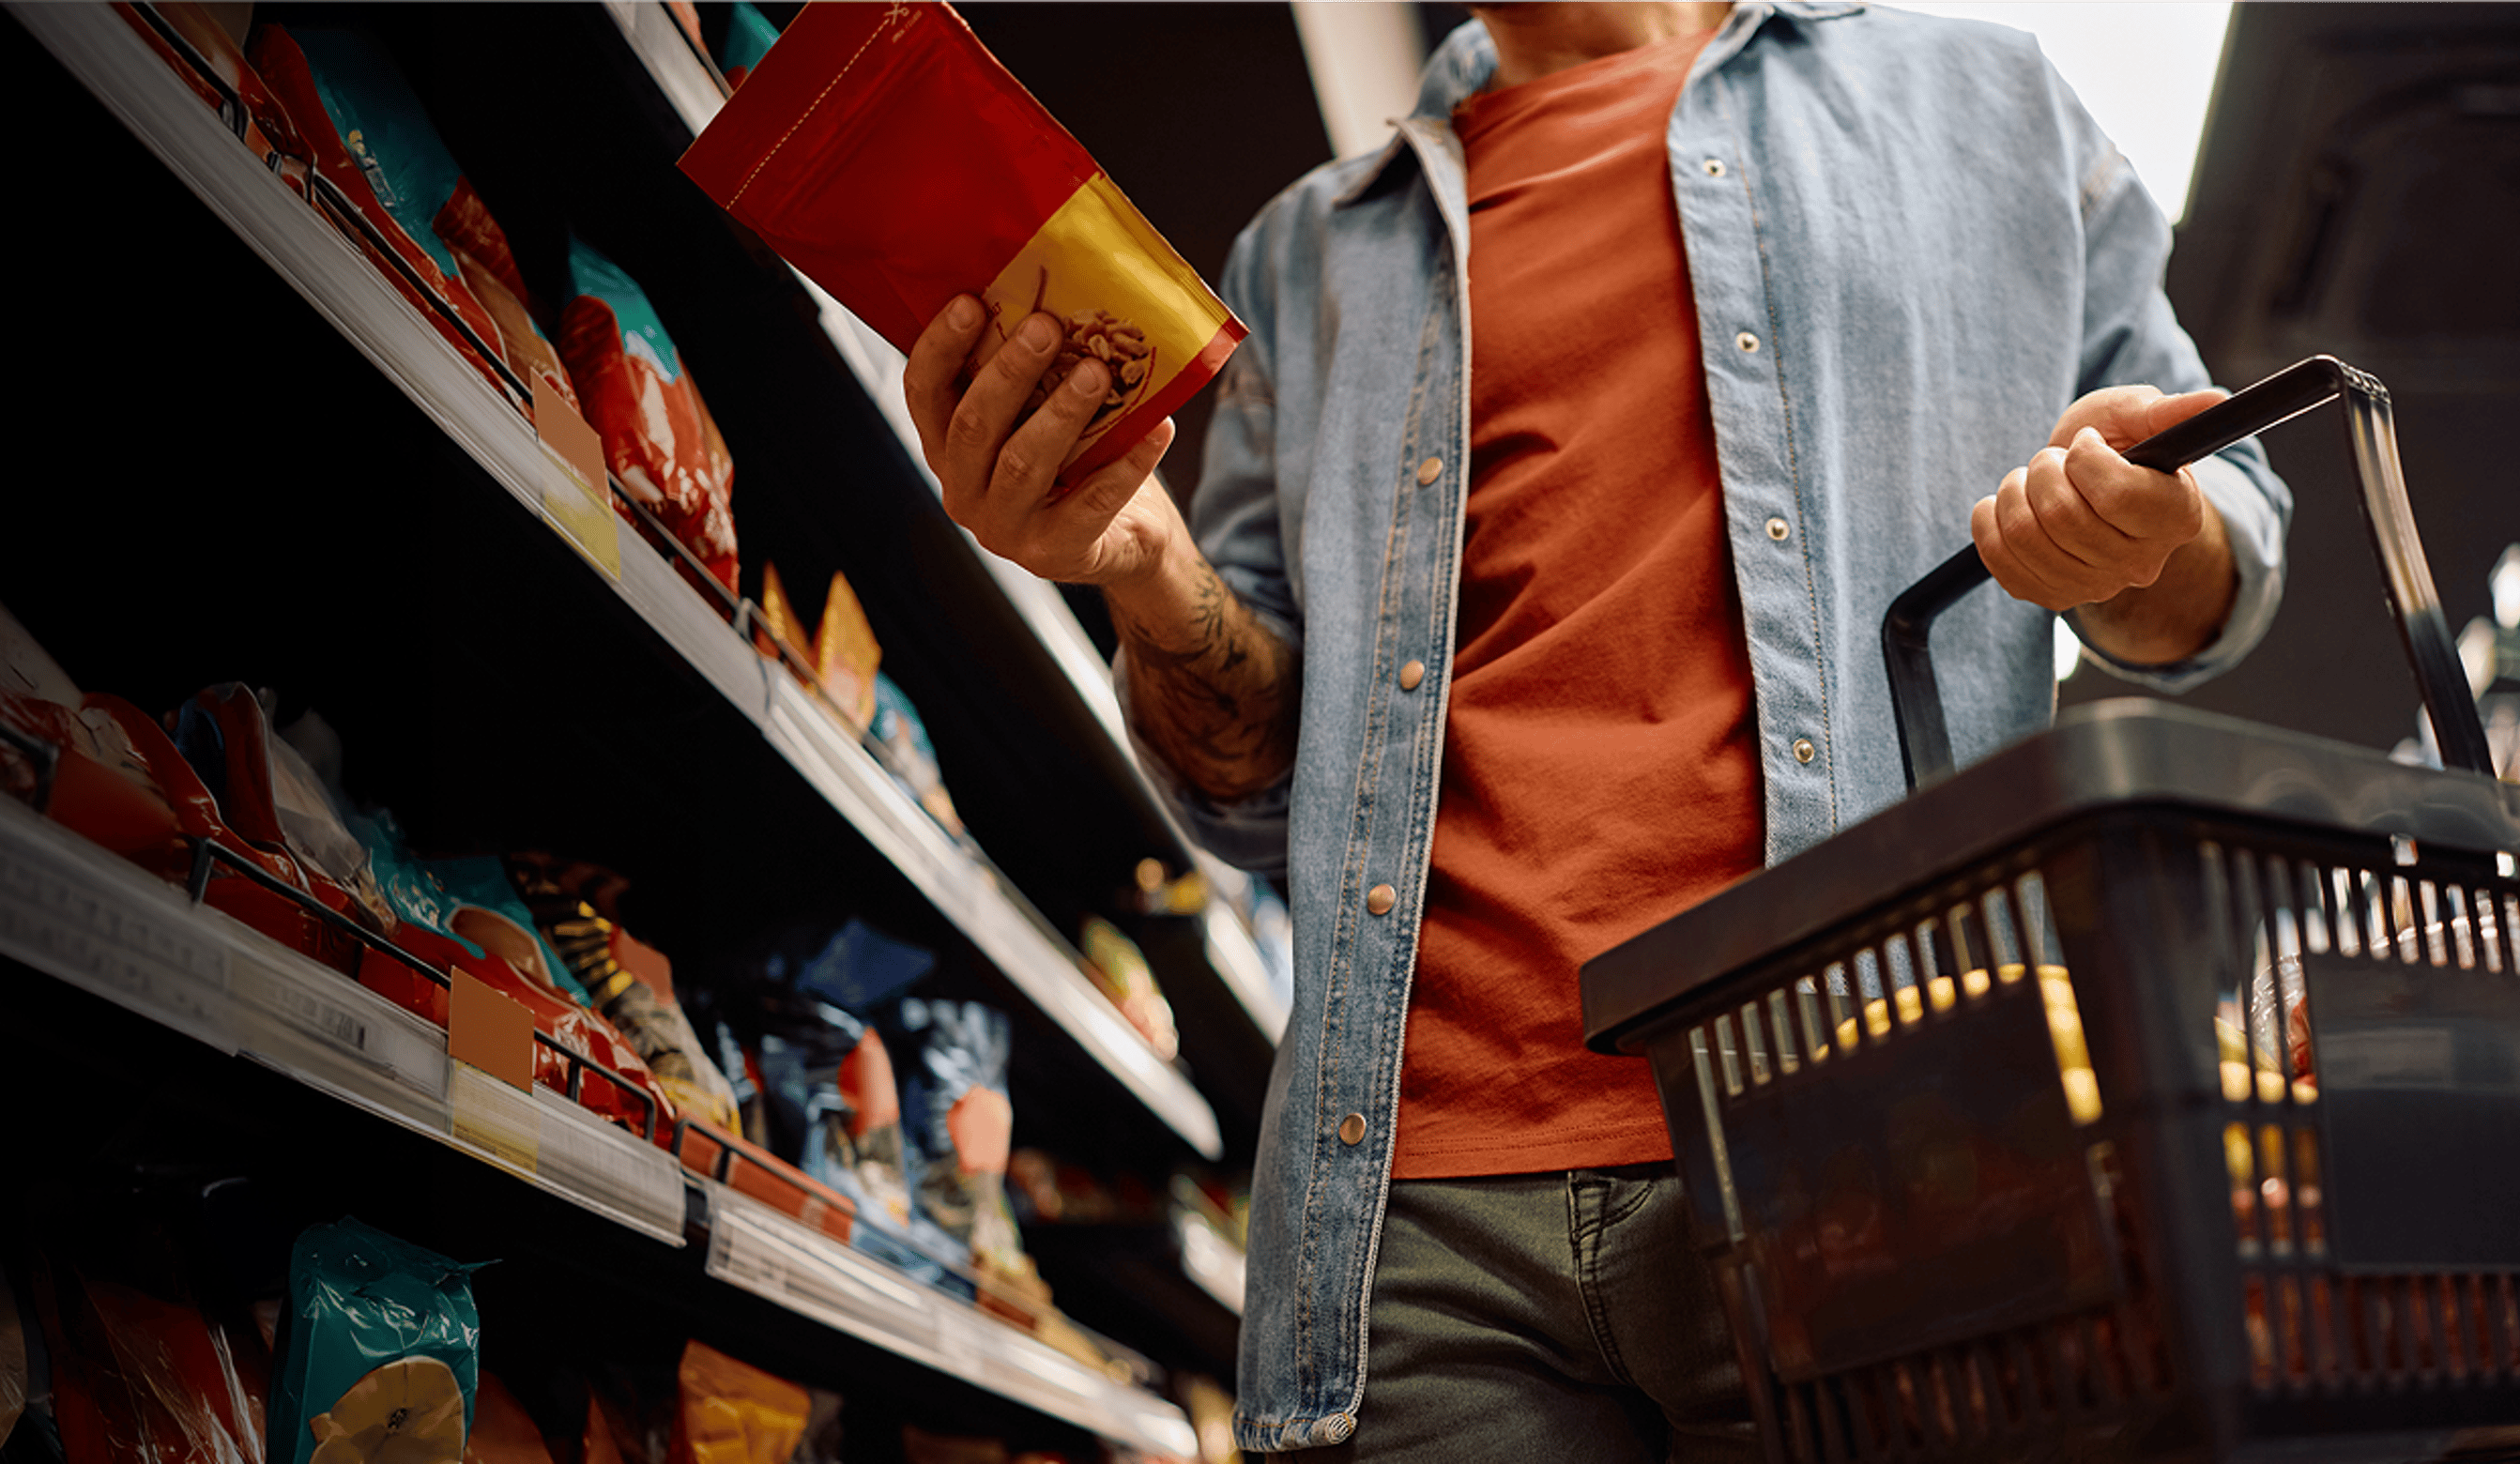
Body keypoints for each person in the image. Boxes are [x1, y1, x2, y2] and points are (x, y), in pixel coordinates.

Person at [900, 2, 2289, 1458]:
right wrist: (1147, 570)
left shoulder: (1990, 102)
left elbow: (2223, 549)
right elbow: (1252, 782)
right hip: (1422, 1226)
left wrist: (2150, 538)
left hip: (1874, 1148)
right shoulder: (1305, 254)